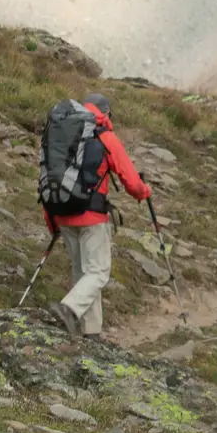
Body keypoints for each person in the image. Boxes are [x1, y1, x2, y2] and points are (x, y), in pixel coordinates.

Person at [45, 92, 150, 338]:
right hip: (92, 216)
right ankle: (68, 309)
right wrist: (144, 191)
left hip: (62, 213)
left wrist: (51, 221)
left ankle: (91, 332)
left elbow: (48, 177)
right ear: (107, 112)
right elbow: (131, 181)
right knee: (98, 272)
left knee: (83, 273)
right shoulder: (105, 136)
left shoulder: (62, 135)